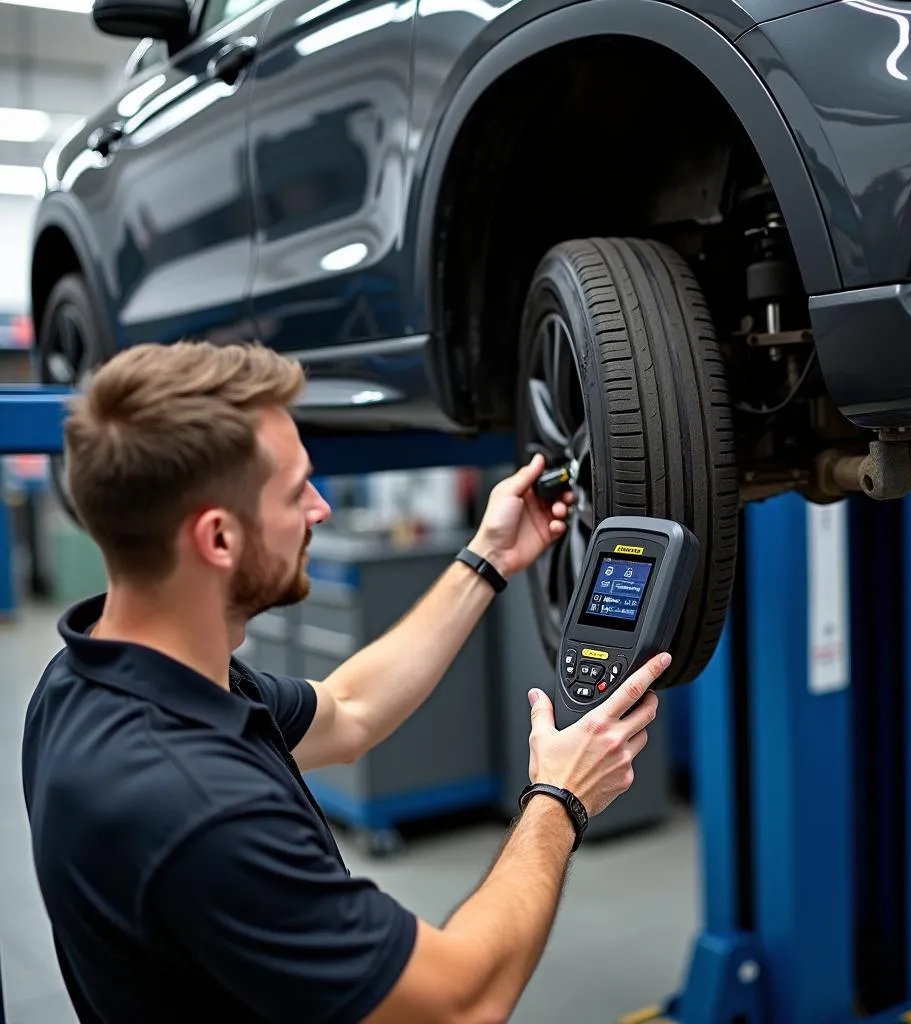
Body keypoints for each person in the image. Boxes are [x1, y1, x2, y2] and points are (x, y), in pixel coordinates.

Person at [21, 341, 667, 1024]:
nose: (321, 508)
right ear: (217, 540)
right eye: (298, 489)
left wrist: (489, 558)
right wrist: (559, 799)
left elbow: (350, 710)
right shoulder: (198, 806)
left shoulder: (88, 680)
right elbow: (461, 1002)